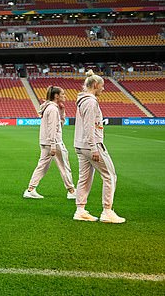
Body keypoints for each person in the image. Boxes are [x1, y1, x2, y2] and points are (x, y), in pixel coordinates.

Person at [73, 70, 125, 224]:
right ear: (95, 85)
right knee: (110, 176)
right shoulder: (90, 102)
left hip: (80, 145)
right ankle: (107, 211)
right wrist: (94, 147)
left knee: (84, 178)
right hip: (91, 146)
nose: (104, 89)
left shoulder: (83, 99)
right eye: (102, 86)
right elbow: (89, 126)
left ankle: (80, 210)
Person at [23, 86, 76, 200]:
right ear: (56, 96)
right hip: (54, 142)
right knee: (64, 166)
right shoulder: (52, 109)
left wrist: (62, 111)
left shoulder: (50, 107)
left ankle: (30, 189)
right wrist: (53, 144)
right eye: (62, 94)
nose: (64, 96)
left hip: (46, 141)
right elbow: (53, 128)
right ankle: (71, 190)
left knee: (42, 166)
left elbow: (58, 125)